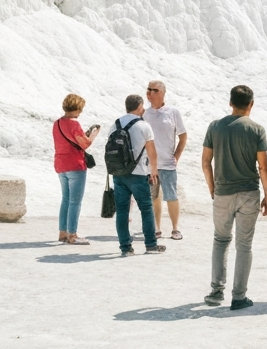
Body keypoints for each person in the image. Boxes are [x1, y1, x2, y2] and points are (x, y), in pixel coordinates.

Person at [202, 85, 267, 311]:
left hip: (222, 192)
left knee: (221, 240)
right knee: (244, 245)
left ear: (230, 102)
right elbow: (264, 167)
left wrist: (213, 188)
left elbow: (205, 162)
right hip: (249, 194)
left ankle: (216, 290)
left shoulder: (215, 127)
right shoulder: (257, 129)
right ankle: (239, 296)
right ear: (251, 104)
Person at [111, 95, 165, 257]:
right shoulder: (143, 126)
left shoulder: (115, 124)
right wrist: (154, 170)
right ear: (139, 106)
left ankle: (125, 248)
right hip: (138, 173)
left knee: (121, 211)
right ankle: (150, 245)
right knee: (146, 209)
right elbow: (151, 151)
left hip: (119, 173)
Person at [143, 80, 188, 240]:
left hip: (168, 164)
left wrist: (176, 156)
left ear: (162, 93)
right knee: (154, 198)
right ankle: (157, 228)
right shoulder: (145, 114)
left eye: (153, 90)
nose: (149, 93)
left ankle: (175, 228)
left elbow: (183, 136)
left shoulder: (172, 112)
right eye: (148, 90)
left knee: (171, 196)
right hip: (150, 166)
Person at [53, 93, 99, 245]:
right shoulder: (74, 124)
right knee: (75, 202)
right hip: (75, 165)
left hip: (61, 164)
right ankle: (72, 235)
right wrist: (93, 135)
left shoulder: (57, 123)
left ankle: (62, 232)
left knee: (65, 200)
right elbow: (84, 144)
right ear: (77, 109)